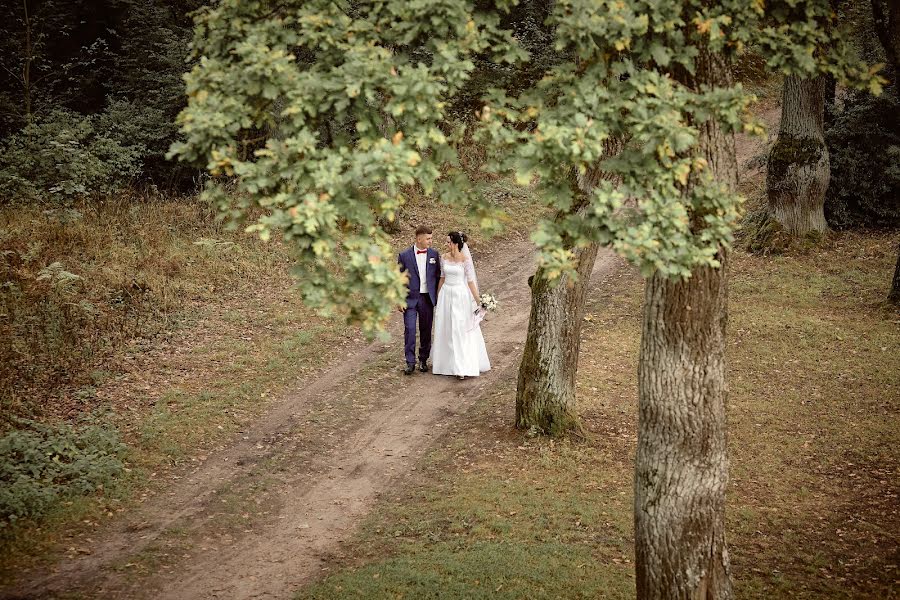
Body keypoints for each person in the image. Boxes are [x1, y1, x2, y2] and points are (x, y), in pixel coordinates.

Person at [431, 231, 491, 380]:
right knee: (446, 327)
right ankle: (445, 364)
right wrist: (437, 298)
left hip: (459, 295)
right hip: (446, 294)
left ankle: (461, 366)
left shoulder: (465, 260)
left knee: (459, 329)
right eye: (446, 242)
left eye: (448, 242)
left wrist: (479, 301)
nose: (446, 244)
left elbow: (470, 281)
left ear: (456, 244)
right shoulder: (443, 258)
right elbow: (442, 278)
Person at [397, 225, 441, 375]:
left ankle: (423, 359)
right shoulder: (404, 255)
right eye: (428, 238)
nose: (430, 241)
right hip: (410, 298)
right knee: (409, 330)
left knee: (426, 330)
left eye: (431, 238)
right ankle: (410, 362)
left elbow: (438, 276)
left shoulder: (434, 254)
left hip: (427, 298)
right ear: (419, 238)